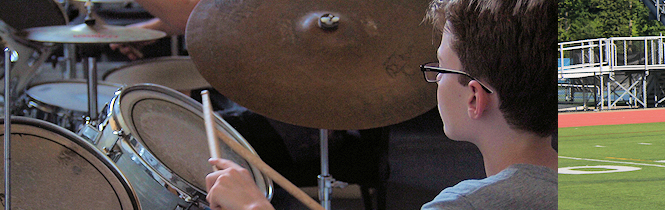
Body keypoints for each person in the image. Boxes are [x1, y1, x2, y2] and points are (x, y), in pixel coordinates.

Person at [201, 0, 562, 209]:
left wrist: (254, 207)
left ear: (473, 98)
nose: (435, 79)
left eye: (439, 67)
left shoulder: (463, 206)